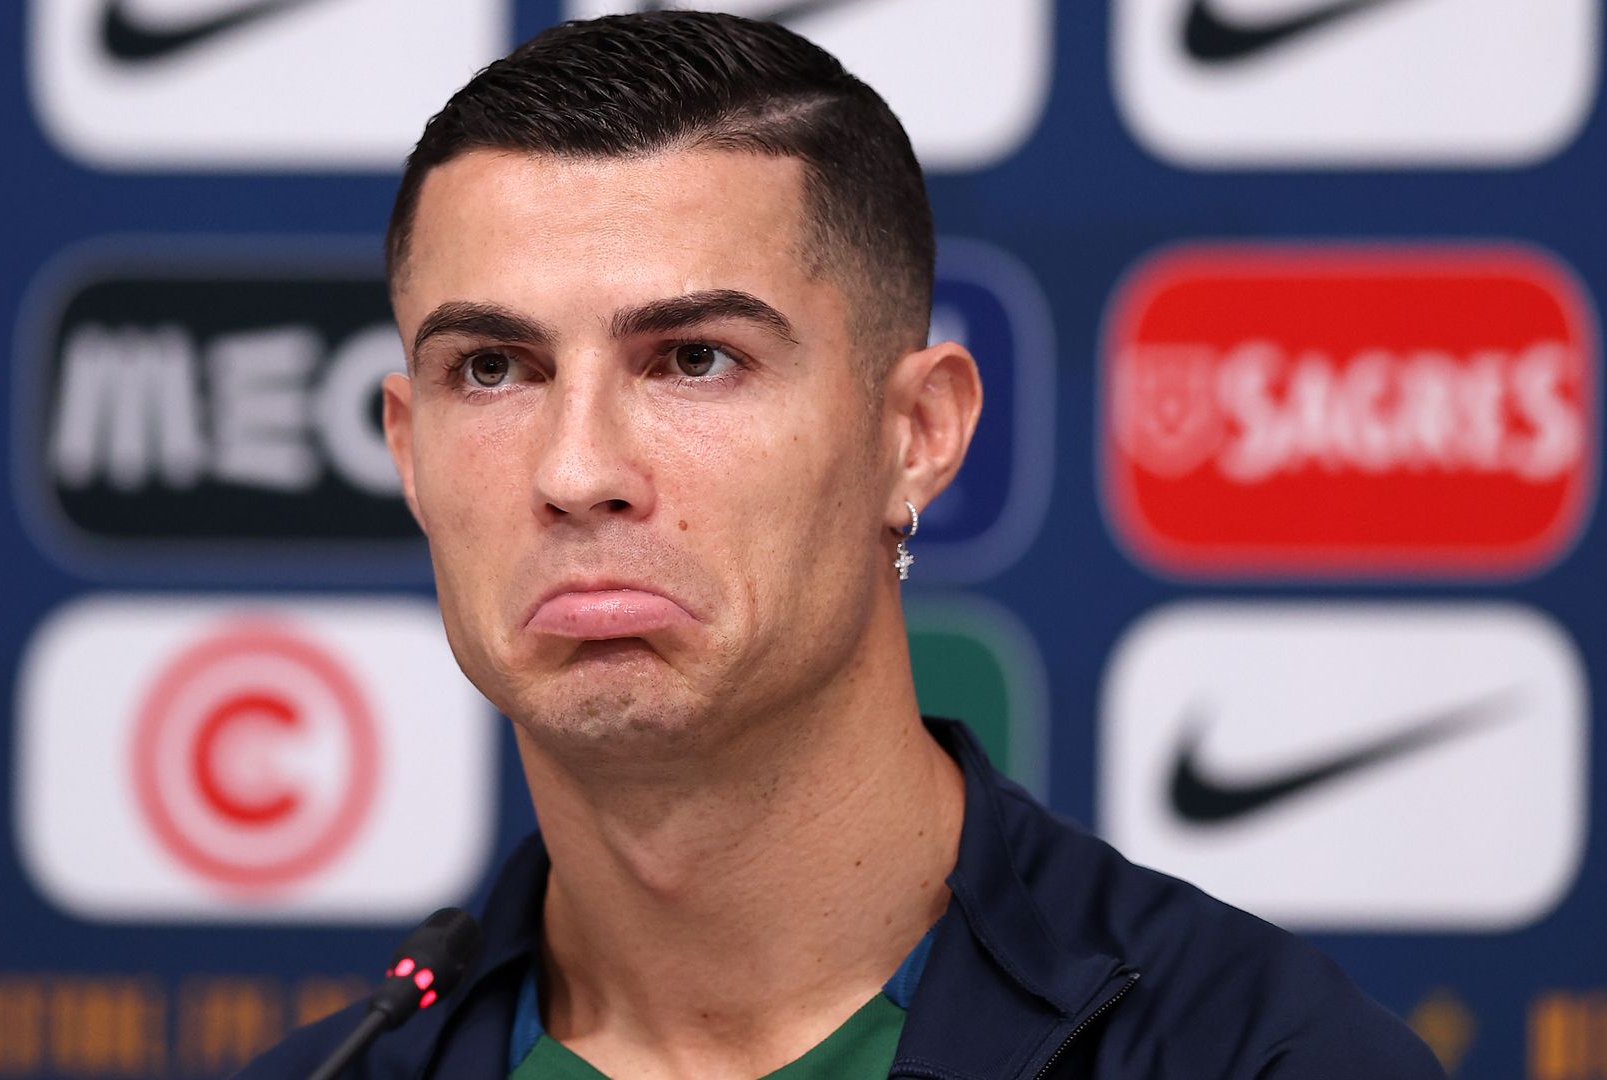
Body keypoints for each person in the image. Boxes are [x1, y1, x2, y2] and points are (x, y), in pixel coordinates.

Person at [238, 11, 1446, 1079]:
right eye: (492, 370)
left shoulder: (1259, 1058)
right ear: (406, 449)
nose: (575, 472)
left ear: (915, 434)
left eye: (694, 358)